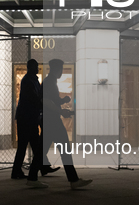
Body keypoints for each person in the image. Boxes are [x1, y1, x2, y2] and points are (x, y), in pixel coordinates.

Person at [27, 59, 92, 189]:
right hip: (52, 121)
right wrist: (61, 110)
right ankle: (73, 180)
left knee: (42, 151)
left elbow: (52, 100)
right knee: (64, 149)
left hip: (49, 120)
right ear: (57, 69)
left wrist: (62, 101)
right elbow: (46, 101)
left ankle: (32, 177)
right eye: (61, 69)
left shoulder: (49, 82)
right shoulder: (50, 82)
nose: (62, 71)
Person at [11, 59, 60, 179]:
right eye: (35, 66)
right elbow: (35, 98)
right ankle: (17, 171)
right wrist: (45, 105)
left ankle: (43, 167)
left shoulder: (33, 80)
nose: (37, 68)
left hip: (30, 117)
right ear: (30, 68)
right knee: (24, 146)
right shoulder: (28, 81)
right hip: (26, 118)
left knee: (36, 145)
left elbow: (38, 97)